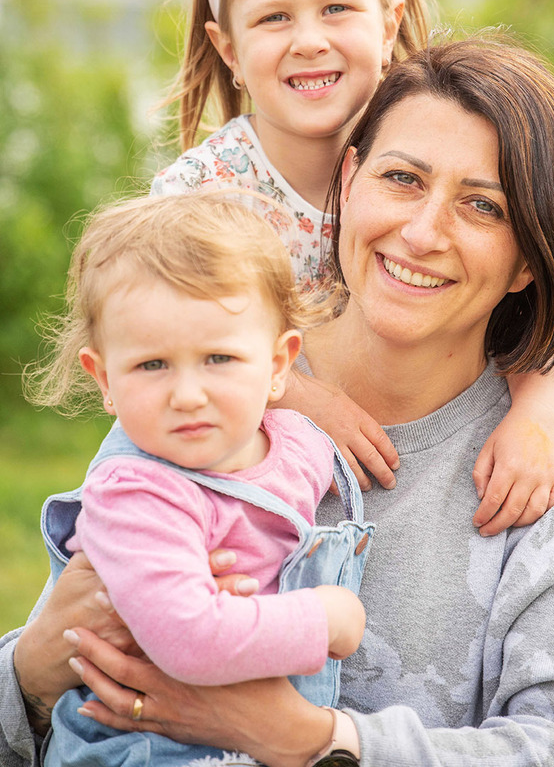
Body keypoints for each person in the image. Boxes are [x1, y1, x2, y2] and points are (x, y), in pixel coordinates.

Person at [4, 37, 554, 767]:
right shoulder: (208, 387)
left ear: (529, 258)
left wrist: (314, 741)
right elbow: (50, 707)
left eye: (482, 205)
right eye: (402, 178)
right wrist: (32, 671)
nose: (423, 231)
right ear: (350, 178)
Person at [152, 0, 554, 532]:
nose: (309, 39)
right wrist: (295, 396)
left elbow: (533, 303)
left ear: (388, 21)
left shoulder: (433, 152)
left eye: (336, 8)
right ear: (227, 49)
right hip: (231, 462)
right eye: (273, 17)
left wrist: (538, 414)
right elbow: (163, 337)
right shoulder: (204, 196)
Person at [29, 191, 372, 767]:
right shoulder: (135, 493)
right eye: (151, 365)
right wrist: (325, 618)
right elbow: (189, 639)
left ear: (279, 363)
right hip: (141, 749)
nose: (188, 396)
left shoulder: (301, 444)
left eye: (219, 359)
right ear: (104, 378)